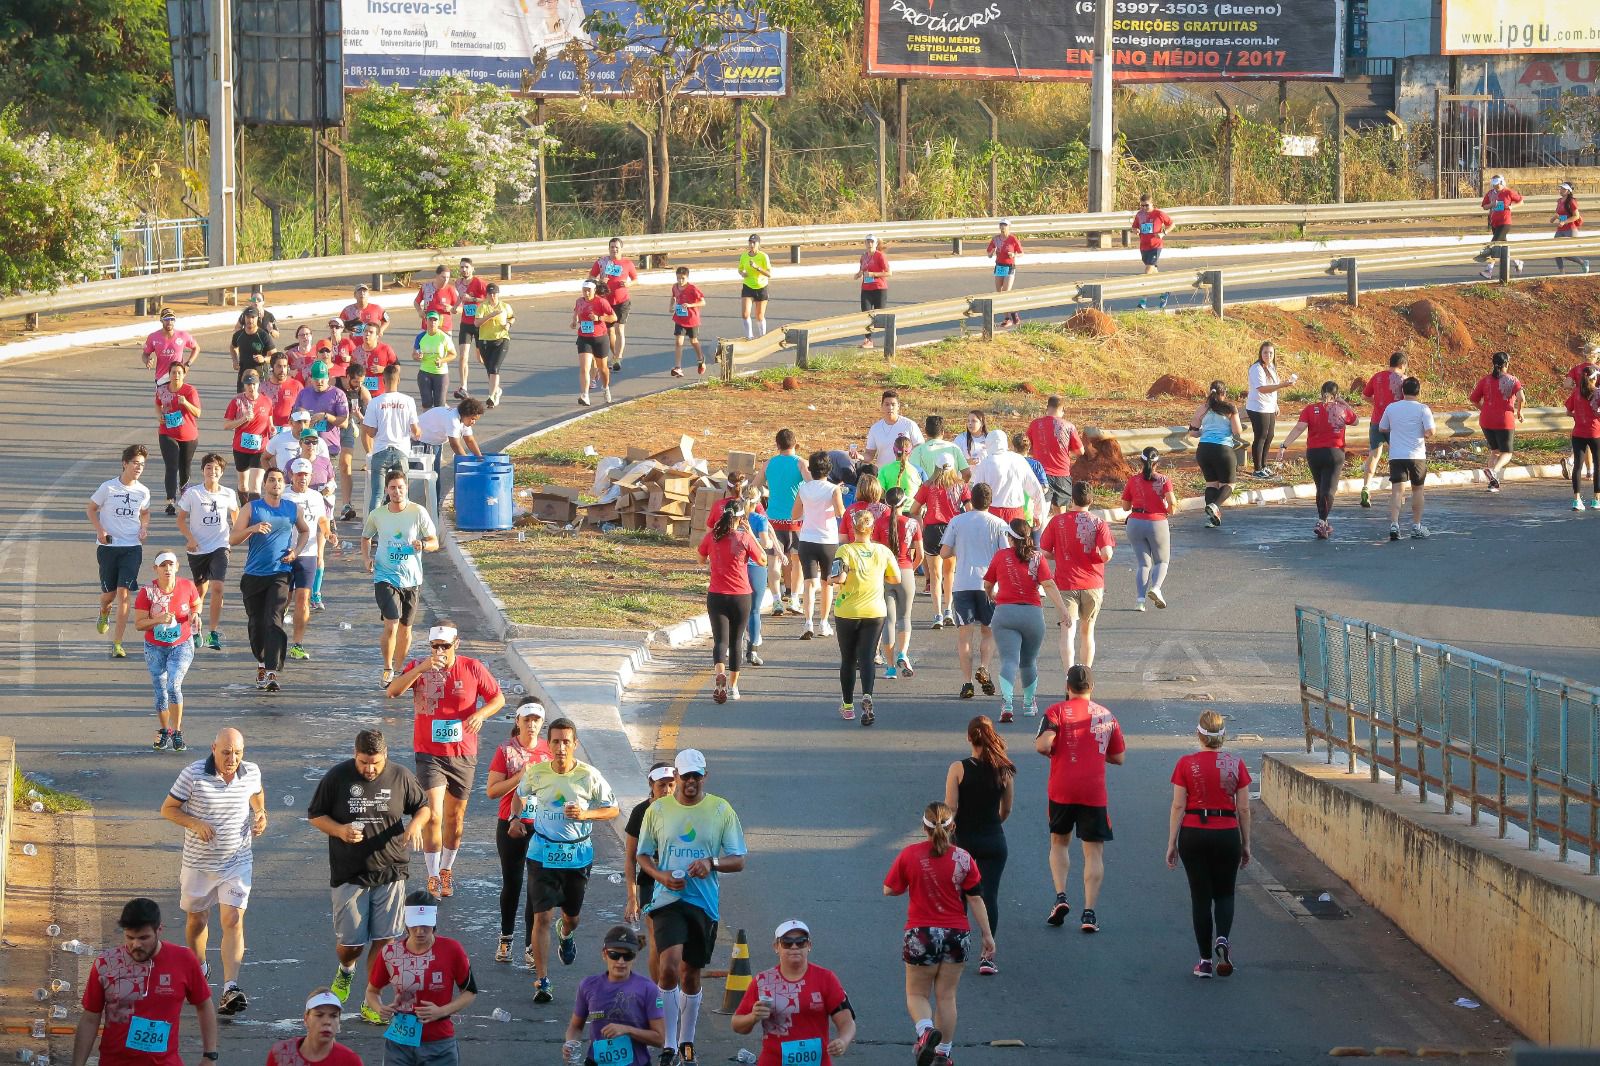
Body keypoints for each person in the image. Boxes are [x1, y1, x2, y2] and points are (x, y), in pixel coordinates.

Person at [307, 729, 431, 1019]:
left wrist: (415, 825)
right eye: (364, 762)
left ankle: (370, 1001)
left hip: (391, 870)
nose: (370, 769)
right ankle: (346, 971)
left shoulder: (400, 776)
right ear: (355, 754)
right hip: (350, 873)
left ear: (385, 755)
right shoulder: (337, 777)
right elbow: (315, 814)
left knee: (386, 941)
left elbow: (423, 806)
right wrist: (339, 830)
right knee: (351, 945)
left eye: (375, 762)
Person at [635, 748, 748, 1066]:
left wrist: (711, 863)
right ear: (676, 777)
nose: (690, 782)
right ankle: (668, 1044)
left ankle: (687, 1040)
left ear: (705, 777)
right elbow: (643, 854)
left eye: (696, 776)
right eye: (685, 776)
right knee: (669, 966)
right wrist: (660, 875)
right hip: (667, 900)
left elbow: (738, 859)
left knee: (690, 974)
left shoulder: (721, 810)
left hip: (703, 902)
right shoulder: (658, 811)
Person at [387, 623, 504, 895]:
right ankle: (432, 875)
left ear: (456, 645)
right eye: (435, 646)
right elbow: (392, 691)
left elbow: (498, 698)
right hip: (429, 754)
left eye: (445, 646)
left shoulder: (472, 667)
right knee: (434, 814)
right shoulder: (420, 666)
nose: (440, 651)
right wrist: (420, 669)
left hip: (463, 752)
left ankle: (446, 869)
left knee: (455, 817)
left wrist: (480, 715)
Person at [159, 727, 266, 1016]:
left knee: (232, 918)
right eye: (227, 752)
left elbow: (257, 795)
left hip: (237, 861)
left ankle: (230, 987)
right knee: (197, 921)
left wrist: (260, 815)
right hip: (199, 864)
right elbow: (168, 809)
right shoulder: (193, 774)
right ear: (213, 748)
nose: (233, 759)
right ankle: (200, 966)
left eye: (238, 753)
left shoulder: (251, 771)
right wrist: (195, 824)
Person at [512, 717, 619, 1005]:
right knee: (542, 916)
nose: (560, 748)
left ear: (575, 745)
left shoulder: (589, 776)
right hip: (542, 854)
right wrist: (515, 819)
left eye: (566, 742)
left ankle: (566, 933)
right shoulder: (536, 773)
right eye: (556, 741)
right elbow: (519, 795)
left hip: (577, 855)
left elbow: (613, 810)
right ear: (549, 744)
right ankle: (543, 979)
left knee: (571, 917)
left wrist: (586, 815)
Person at [883, 801, 994, 1066]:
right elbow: (976, 898)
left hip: (921, 932)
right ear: (952, 826)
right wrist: (987, 936)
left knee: (917, 994)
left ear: (924, 827)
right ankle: (944, 1051)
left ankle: (925, 1031)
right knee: (947, 996)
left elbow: (889, 888)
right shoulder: (963, 858)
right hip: (957, 933)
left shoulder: (910, 855)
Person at [72, 897, 216, 1066]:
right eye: (130, 937)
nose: (136, 944)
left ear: (159, 930)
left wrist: (210, 1056)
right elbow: (90, 1018)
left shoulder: (183, 960)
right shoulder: (107, 964)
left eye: (143, 937)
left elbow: (204, 1004)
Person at [1035, 664, 1125, 935]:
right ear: (1092, 688)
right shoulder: (1106, 715)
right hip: (1093, 792)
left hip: (1062, 789)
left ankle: (1061, 896)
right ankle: (1089, 912)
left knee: (1059, 842)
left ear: (1067, 687)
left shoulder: (1057, 712)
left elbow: (1043, 744)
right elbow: (1119, 757)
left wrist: (1055, 749)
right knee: (1093, 851)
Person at [1166, 709, 1252, 979]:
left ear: (1198, 735)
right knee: (1225, 893)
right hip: (1227, 833)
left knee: (1200, 898)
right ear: (1224, 736)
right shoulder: (1236, 764)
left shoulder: (1185, 763)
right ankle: (1223, 939)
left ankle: (1204, 961)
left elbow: (1178, 804)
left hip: (1193, 832)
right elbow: (1245, 809)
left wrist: (1172, 843)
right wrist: (1246, 843)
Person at [365, 889, 477, 1066]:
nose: (419, 931)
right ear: (406, 923)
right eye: (414, 925)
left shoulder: (452, 950)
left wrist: (442, 1011)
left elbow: (470, 992)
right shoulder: (391, 953)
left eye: (425, 925)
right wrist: (379, 1008)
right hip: (400, 1042)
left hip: (440, 1043)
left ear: (433, 922)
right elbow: (372, 992)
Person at [943, 717, 1014, 978]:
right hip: (994, 840)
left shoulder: (958, 769)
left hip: (964, 842)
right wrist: (992, 823)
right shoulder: (1004, 770)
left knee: (960, 896)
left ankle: (957, 951)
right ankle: (987, 956)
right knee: (989, 896)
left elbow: (951, 808)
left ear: (968, 738)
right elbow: (1006, 809)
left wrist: (950, 830)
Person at [732, 920, 856, 1066]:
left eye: (801, 942)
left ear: (809, 946)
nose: (794, 947)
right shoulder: (763, 981)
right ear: (776, 947)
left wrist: (843, 1041)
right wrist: (753, 1017)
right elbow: (737, 1024)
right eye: (787, 942)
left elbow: (847, 1022)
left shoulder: (826, 978)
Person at [228, 467, 309, 692]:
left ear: (285, 484)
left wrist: (296, 551)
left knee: (274, 619)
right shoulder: (252, 508)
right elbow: (232, 539)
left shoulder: (292, 509)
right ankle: (262, 662)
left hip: (280, 573)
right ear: (264, 485)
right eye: (272, 480)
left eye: (280, 480)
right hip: (254, 575)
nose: (276, 484)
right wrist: (252, 528)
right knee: (256, 624)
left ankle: (272, 671)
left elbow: (305, 531)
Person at [487, 699, 554, 965]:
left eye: (536, 719)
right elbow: (492, 791)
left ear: (542, 723)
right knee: (512, 883)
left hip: (542, 826)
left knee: (536, 886)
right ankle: (506, 938)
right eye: (527, 719)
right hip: (511, 824)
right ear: (517, 721)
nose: (532, 724)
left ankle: (530, 944)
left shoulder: (550, 752)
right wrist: (521, 776)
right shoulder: (506, 750)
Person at [984, 518, 1069, 723]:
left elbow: (987, 583)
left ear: (1010, 538)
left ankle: (1007, 703)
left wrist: (992, 594)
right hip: (1032, 615)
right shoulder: (1037, 558)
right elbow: (1048, 585)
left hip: (1005, 614)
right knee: (1028, 661)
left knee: (1009, 660)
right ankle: (1029, 703)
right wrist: (1063, 610)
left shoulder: (1001, 556)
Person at [364, 470, 439, 684]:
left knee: (406, 629)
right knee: (392, 623)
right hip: (385, 576)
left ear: (406, 488)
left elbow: (434, 542)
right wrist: (366, 559)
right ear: (387, 490)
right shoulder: (377, 514)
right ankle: (387, 668)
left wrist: (423, 544)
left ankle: (398, 669)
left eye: (400, 487)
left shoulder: (418, 512)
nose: (397, 491)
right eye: (393, 488)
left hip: (412, 579)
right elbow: (366, 537)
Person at [830, 509, 900, 725]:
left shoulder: (845, 550)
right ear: (872, 528)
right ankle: (868, 696)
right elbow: (895, 578)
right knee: (867, 657)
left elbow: (839, 577)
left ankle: (848, 706)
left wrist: (832, 578)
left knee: (849, 659)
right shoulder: (883, 551)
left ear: (852, 527)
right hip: (875, 610)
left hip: (847, 611)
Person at [563, 926, 666, 1066]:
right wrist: (571, 1043)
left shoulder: (648, 989)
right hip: (595, 1062)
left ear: (634, 957)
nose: (621, 962)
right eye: (614, 955)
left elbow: (660, 1038)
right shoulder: (588, 986)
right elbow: (575, 1026)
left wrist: (627, 1030)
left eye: (627, 956)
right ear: (604, 954)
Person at [941, 483, 1007, 702]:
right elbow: (1006, 553)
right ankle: (984, 667)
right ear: (990, 500)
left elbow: (944, 552)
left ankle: (967, 682)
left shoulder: (957, 521)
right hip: (989, 584)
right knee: (988, 631)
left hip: (962, 583)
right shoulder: (998, 524)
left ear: (972, 499)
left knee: (964, 635)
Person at [697, 498, 765, 704]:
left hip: (716, 595)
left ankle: (720, 673)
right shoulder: (744, 538)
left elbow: (700, 559)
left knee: (720, 641)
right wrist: (751, 534)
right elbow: (762, 560)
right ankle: (733, 687)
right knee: (736, 642)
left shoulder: (712, 537)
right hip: (741, 596)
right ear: (740, 518)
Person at [1041, 481, 1114, 669]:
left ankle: (1069, 678)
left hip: (1066, 583)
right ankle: (1085, 676)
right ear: (1091, 500)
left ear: (1072, 499)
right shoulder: (1098, 523)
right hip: (1093, 583)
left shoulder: (1057, 521)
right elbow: (1107, 554)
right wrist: (1093, 557)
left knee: (1067, 632)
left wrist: (1060, 555)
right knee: (1087, 632)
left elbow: (1044, 551)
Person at [90, 445, 152, 660]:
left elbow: (145, 512)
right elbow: (90, 508)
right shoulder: (108, 488)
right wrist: (100, 530)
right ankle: (104, 611)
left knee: (124, 594)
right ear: (124, 463)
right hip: (108, 548)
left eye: (142, 464)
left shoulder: (143, 491)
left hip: (132, 548)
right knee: (109, 596)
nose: (138, 467)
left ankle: (117, 643)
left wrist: (144, 526)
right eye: (135, 462)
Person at [134, 552, 200, 751]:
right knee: (160, 692)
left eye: (171, 565)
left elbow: (196, 605)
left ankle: (177, 731)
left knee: (173, 686)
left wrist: (195, 616)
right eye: (163, 565)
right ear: (156, 569)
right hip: (155, 648)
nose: (167, 569)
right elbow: (139, 624)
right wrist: (158, 620)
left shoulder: (187, 586)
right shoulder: (147, 592)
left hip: (181, 645)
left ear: (177, 567)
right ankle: (165, 731)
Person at [1278, 381, 1359, 539]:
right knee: (1329, 490)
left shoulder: (1310, 409)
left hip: (1314, 453)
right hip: (1334, 452)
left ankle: (1324, 521)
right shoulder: (1342, 409)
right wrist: (1344, 402)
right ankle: (1322, 521)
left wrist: (1284, 445)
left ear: (1321, 393)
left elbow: (1299, 428)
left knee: (1320, 487)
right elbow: (1355, 421)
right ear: (1336, 395)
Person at [177, 454, 239, 653]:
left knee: (218, 586)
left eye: (216, 469)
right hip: (198, 548)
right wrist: (190, 538)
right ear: (203, 470)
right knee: (200, 591)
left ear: (222, 472)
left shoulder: (228, 493)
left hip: (220, 545)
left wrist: (237, 532)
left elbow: (236, 514)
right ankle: (195, 626)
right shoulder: (193, 494)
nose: (212, 472)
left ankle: (213, 632)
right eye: (209, 468)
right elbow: (180, 520)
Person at [623, 763, 677, 984]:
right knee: (656, 938)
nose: (666, 790)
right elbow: (630, 857)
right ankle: (659, 994)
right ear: (651, 785)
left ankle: (677, 987)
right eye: (661, 785)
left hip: (680, 881)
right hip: (650, 883)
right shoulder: (640, 812)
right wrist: (632, 897)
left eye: (671, 785)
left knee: (678, 942)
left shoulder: (685, 810)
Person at [284, 458, 332, 660]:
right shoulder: (284, 496)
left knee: (303, 599)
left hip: (308, 554)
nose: (302, 478)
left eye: (306, 474)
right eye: (298, 474)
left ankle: (297, 644)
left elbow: (322, 519)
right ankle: (276, 637)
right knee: (283, 599)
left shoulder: (316, 497)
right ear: (291, 476)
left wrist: (329, 533)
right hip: (285, 553)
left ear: (311, 476)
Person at [796, 450, 846, 640]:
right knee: (827, 584)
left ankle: (807, 622)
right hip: (828, 541)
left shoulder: (804, 488)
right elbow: (840, 512)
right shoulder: (833, 489)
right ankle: (823, 623)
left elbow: (795, 514)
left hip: (807, 539)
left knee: (809, 583)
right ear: (829, 469)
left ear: (811, 469)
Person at [914, 455, 969, 630]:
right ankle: (948, 611)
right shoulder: (961, 485)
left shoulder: (928, 486)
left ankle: (937, 614)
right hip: (952, 530)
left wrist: (922, 524)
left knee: (934, 574)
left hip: (931, 531)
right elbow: (969, 510)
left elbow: (914, 509)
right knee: (949, 573)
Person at [1379, 376, 1436, 541]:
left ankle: (1394, 524)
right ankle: (1416, 526)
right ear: (1418, 391)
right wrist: (1422, 435)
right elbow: (1431, 431)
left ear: (1402, 391)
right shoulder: (1423, 409)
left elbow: (1383, 427)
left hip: (1396, 454)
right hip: (1416, 455)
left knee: (1397, 491)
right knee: (1417, 490)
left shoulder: (1391, 407)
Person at [1120, 448, 1177, 608]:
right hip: (1157, 522)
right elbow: (1172, 503)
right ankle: (1156, 588)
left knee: (1143, 564)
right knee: (1162, 561)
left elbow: (1125, 507)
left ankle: (1140, 601)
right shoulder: (1164, 480)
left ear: (1141, 461)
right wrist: (1169, 510)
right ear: (1157, 463)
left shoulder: (1133, 480)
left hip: (1135, 523)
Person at [757, 429, 805, 616]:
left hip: (773, 520)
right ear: (795, 444)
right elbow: (811, 484)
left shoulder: (769, 463)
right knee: (797, 561)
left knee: (773, 562)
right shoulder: (801, 463)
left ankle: (777, 601)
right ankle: (794, 599)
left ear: (777, 445)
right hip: (796, 520)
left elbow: (755, 486)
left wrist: (767, 494)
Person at [362, 363, 422, 511]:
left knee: (377, 494)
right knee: (402, 493)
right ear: (399, 380)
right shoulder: (408, 401)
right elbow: (416, 431)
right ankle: (403, 525)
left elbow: (370, 432)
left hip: (381, 450)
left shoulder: (375, 402)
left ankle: (372, 530)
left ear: (383, 380)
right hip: (401, 450)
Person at [1186, 380, 1245, 527]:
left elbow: (1192, 433)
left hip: (1204, 449)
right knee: (1229, 484)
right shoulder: (1230, 408)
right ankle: (1215, 506)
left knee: (1211, 484)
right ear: (1224, 393)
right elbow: (1237, 431)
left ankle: (1211, 519)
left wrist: (1204, 431)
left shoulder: (1202, 408)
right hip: (1222, 449)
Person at [880, 486, 923, 680]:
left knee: (888, 620)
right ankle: (903, 653)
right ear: (903, 503)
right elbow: (920, 555)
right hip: (905, 570)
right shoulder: (912, 524)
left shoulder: (879, 523)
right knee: (904, 617)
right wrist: (910, 571)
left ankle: (889, 667)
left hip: (885, 573)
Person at [1469, 351, 1524, 493]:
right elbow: (1521, 398)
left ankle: (1493, 484)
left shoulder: (1485, 380)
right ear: (1506, 364)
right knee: (1507, 452)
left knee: (1495, 451)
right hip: (1504, 420)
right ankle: (1494, 471)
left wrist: (1484, 409)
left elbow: (1473, 399)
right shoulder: (1512, 380)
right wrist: (1519, 411)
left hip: (1486, 420)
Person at [1359, 352, 1408, 509]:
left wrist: (1378, 403)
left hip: (1377, 421)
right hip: (1396, 424)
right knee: (1398, 457)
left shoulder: (1377, 376)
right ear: (1402, 365)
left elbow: (1365, 396)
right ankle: (1399, 493)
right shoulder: (1404, 380)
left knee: (1374, 455)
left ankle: (1366, 487)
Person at [267, 989, 364, 1066]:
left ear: (339, 1022)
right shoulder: (282, 1053)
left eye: (333, 1016)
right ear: (306, 1019)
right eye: (319, 1015)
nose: (327, 1022)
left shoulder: (350, 1061)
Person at [1244, 341, 1297, 478]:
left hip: (1269, 406)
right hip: (1257, 407)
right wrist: (1282, 385)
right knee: (1261, 436)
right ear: (1260, 354)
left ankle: (1264, 465)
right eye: (1265, 352)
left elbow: (1272, 389)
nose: (1268, 355)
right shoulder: (1256, 368)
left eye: (1271, 353)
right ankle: (1257, 469)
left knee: (1269, 435)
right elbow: (1262, 389)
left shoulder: (1272, 367)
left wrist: (1275, 404)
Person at [1026, 395, 1085, 518]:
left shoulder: (1035, 424)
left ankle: (1039, 536)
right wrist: (1066, 451)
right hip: (1061, 474)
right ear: (1063, 409)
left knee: (1040, 512)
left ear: (1047, 407)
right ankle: (1060, 536)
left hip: (1040, 473)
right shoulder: (1069, 426)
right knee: (1061, 514)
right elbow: (1080, 451)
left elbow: (1027, 447)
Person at [155, 361, 202, 515]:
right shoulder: (162, 390)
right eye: (173, 372)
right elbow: (157, 404)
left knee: (184, 467)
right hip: (167, 432)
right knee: (171, 466)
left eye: (179, 373)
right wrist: (159, 415)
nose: (176, 375)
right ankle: (170, 501)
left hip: (188, 435)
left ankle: (185, 499)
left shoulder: (189, 390)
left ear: (184, 375)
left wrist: (186, 403)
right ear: (169, 374)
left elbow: (198, 413)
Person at [971, 432, 1044, 526]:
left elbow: (976, 493)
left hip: (991, 514)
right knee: (1015, 540)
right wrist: (1037, 514)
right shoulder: (1019, 460)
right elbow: (1036, 489)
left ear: (988, 443)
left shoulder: (986, 463)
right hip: (1016, 514)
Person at [590, 237, 639, 371]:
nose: (614, 249)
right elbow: (591, 278)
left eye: (617, 247)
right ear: (609, 248)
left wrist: (629, 283)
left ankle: (618, 358)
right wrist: (600, 282)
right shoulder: (602, 262)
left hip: (622, 301)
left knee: (619, 329)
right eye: (612, 247)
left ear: (621, 249)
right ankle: (614, 355)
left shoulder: (627, 263)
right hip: (606, 302)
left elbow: (636, 279)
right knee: (610, 331)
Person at [223, 370, 271, 499]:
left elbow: (269, 422)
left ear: (258, 384)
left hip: (259, 448)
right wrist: (243, 419)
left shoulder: (267, 401)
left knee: (255, 485)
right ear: (244, 385)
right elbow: (226, 425)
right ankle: (245, 511)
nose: (251, 387)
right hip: (241, 448)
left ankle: (253, 517)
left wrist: (272, 429)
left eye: (254, 384)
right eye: (248, 384)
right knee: (243, 485)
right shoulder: (236, 401)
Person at [299, 360, 353, 477]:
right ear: (311, 379)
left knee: (325, 486)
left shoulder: (338, 394)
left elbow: (344, 423)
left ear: (328, 377)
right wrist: (304, 419)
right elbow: (294, 418)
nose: (319, 382)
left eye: (322, 378)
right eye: (316, 379)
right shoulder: (303, 394)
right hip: (306, 447)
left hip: (329, 449)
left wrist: (326, 416)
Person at [417, 397, 487, 482]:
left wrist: (480, 457)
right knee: (417, 469)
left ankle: (436, 495)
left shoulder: (463, 420)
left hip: (435, 441)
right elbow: (455, 444)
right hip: (419, 437)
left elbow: (470, 440)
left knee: (434, 473)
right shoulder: (453, 419)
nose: (473, 422)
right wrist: (467, 464)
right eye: (472, 419)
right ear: (465, 414)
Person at [573, 278, 618, 406]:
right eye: (584, 290)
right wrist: (574, 321)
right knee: (584, 368)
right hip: (584, 338)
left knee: (603, 368)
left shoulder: (601, 302)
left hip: (599, 338)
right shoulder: (579, 301)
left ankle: (605, 388)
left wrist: (599, 317)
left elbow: (613, 317)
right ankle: (585, 395)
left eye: (589, 291)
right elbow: (576, 312)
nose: (586, 293)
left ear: (594, 291)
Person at [1476, 174, 1526, 279]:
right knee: (1502, 247)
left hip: (1505, 223)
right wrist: (1492, 204)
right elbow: (1484, 206)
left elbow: (1521, 201)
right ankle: (1517, 262)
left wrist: (1512, 207)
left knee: (1494, 245)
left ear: (1502, 183)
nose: (1496, 187)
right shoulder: (1490, 193)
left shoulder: (1508, 192)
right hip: (1494, 223)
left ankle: (1488, 270)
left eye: (1498, 184)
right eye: (1494, 185)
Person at [474, 282, 514, 407]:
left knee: (495, 368)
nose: (492, 296)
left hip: (501, 340)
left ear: (498, 294)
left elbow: (512, 317)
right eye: (490, 294)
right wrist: (490, 316)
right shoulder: (482, 307)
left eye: (494, 293)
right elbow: (476, 323)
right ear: (486, 295)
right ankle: (497, 391)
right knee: (490, 370)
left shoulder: (505, 306)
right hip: (485, 341)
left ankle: (491, 397)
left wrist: (508, 324)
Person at [1565, 366, 1600, 510]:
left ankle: (1576, 500)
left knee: (1577, 467)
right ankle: (1596, 499)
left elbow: (1568, 411)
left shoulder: (1576, 392)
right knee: (1598, 466)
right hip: (1595, 433)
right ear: (1594, 378)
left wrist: (1577, 416)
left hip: (1578, 433)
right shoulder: (1598, 393)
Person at [454, 257, 489, 398]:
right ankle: (464, 387)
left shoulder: (479, 283)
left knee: (482, 358)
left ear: (472, 269)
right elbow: (461, 296)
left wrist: (473, 300)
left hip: (479, 324)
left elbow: (489, 299)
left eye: (467, 267)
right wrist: (456, 306)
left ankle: (494, 384)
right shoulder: (457, 283)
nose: (464, 270)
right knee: (463, 356)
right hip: (465, 324)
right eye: (462, 267)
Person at [866, 389, 924, 468]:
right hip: (884, 474)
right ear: (882, 406)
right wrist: (858, 456)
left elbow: (920, 448)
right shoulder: (875, 428)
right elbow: (869, 455)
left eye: (893, 404)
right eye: (887, 404)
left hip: (905, 472)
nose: (890, 407)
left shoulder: (909, 425)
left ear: (898, 406)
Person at [412, 312, 457, 411]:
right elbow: (414, 354)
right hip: (424, 373)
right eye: (430, 320)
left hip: (440, 374)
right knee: (426, 403)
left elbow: (453, 354)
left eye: (435, 320)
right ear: (426, 321)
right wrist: (418, 356)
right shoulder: (420, 337)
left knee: (439, 405)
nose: (432, 322)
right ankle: (427, 425)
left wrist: (442, 360)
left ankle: (451, 416)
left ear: (438, 322)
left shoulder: (444, 337)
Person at [669, 265, 707, 377]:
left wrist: (690, 305)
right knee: (678, 342)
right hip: (680, 318)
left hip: (692, 319)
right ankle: (678, 367)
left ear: (687, 278)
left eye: (683, 278)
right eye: (678, 278)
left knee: (693, 341)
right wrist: (671, 306)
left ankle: (701, 359)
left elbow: (703, 302)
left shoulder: (692, 289)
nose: (680, 281)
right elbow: (673, 297)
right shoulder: (675, 287)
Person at [854, 234, 891, 349]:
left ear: (875, 244)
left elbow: (889, 273)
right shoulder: (863, 256)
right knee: (866, 315)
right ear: (865, 243)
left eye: (872, 242)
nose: (869, 244)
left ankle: (890, 337)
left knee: (879, 317)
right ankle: (868, 340)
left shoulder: (880, 256)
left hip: (879, 289)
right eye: (867, 242)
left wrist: (873, 274)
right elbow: (862, 269)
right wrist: (858, 274)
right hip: (866, 289)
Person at [142, 308, 201, 378]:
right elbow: (145, 354)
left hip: (178, 377)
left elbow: (196, 348)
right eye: (166, 319)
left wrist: (188, 364)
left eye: (172, 319)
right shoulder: (153, 337)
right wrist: (147, 361)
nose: (169, 322)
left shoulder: (182, 335)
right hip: (161, 378)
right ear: (161, 320)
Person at [909, 414, 969, 482]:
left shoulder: (918, 450)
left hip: (928, 491)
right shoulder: (954, 448)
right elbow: (967, 473)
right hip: (951, 490)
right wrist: (960, 488)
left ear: (925, 431)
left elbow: (912, 475)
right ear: (943, 432)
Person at [986, 219, 1023, 328]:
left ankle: (1009, 318)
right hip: (999, 266)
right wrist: (992, 252)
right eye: (1001, 225)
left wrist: (1014, 255)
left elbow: (1021, 253)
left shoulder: (1013, 239)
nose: (1003, 227)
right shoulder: (996, 239)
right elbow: (988, 254)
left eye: (1005, 225)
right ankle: (1011, 314)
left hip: (1009, 267)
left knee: (1006, 292)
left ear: (1009, 227)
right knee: (999, 293)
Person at [230, 307, 277, 393]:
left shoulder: (263, 336)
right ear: (244, 318)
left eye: (253, 317)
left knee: (260, 402)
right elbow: (232, 347)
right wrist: (235, 360)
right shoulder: (238, 335)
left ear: (257, 318)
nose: (250, 320)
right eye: (248, 317)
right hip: (243, 375)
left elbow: (274, 356)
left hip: (260, 376)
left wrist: (264, 359)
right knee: (242, 401)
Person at [1131, 191, 1175, 279]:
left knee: (1148, 271)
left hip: (1155, 246)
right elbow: (1134, 227)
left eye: (1146, 205)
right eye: (1142, 205)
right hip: (1144, 246)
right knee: (1153, 270)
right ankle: (1163, 288)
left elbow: (1172, 224)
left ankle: (1144, 290)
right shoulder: (1139, 214)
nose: (1144, 208)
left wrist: (1163, 233)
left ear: (1152, 204)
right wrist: (1136, 230)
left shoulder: (1159, 214)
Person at [738, 233, 772, 339]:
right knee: (745, 314)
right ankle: (750, 337)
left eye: (754, 243)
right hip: (748, 286)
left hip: (761, 287)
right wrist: (742, 273)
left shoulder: (763, 256)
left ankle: (763, 337)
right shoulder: (744, 256)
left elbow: (769, 274)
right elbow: (740, 269)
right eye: (750, 243)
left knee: (759, 316)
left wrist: (757, 268)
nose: (751, 245)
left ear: (758, 244)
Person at [1552, 180, 1590, 274]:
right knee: (1555, 251)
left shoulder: (1572, 201)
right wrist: (1554, 218)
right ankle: (1562, 273)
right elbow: (1563, 215)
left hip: (1570, 229)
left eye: (1563, 188)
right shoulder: (1559, 201)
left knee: (1566, 253)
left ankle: (1583, 262)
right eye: (1560, 188)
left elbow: (1576, 216)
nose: (1560, 190)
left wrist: (1564, 222)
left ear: (1568, 191)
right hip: (1560, 230)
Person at [262, 352, 305, 430]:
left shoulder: (297, 385)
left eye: (285, 366)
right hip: (267, 432)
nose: (282, 370)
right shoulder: (262, 388)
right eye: (279, 366)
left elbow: (305, 410)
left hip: (289, 432)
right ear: (272, 367)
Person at [414, 264, 460, 335]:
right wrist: (419, 311)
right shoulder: (426, 287)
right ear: (437, 276)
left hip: (444, 329)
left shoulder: (450, 289)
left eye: (448, 277)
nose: (446, 280)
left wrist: (452, 308)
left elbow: (461, 308)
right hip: (427, 328)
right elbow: (416, 302)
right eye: (443, 277)